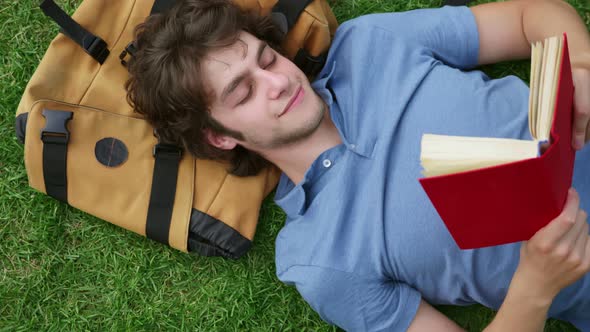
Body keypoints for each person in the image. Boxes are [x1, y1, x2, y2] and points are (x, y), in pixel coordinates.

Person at [125, 0, 590, 330]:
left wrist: (583, 69)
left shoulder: (369, 44)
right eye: (243, 92)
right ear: (220, 136)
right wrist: (535, 287)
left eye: (267, 59)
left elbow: (533, 15)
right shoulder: (318, 258)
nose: (277, 82)